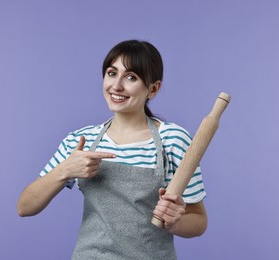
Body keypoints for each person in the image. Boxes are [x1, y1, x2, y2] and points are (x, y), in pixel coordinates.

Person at [17, 40, 208, 259]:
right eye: (111, 73)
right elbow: (25, 207)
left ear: (153, 89)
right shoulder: (82, 140)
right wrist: (65, 170)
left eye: (131, 77)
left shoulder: (173, 139)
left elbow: (199, 220)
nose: (116, 86)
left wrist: (175, 222)